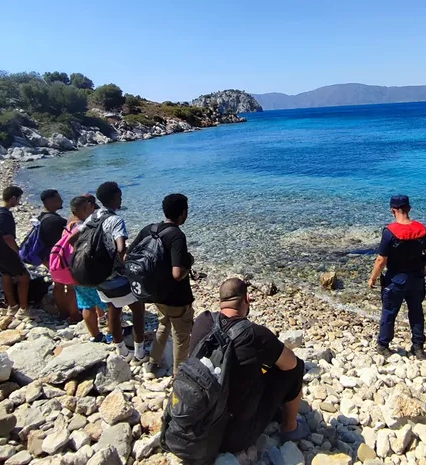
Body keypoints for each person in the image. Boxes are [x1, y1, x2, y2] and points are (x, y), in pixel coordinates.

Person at [189, 278, 309, 452]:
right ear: (247, 299)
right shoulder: (255, 335)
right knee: (296, 367)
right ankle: (290, 427)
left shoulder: (203, 320)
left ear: (221, 300)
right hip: (231, 439)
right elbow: (291, 363)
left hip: (195, 421)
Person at [75, 181, 146, 361]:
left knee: (113, 310)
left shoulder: (93, 216)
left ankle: (121, 350)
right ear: (114, 198)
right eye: (119, 196)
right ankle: (139, 351)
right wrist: (128, 265)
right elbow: (121, 248)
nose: (121, 199)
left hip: (98, 276)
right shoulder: (116, 220)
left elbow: (73, 238)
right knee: (138, 309)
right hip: (115, 276)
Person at [131, 193, 195, 375]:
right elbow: (177, 274)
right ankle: (179, 376)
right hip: (177, 298)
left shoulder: (149, 229)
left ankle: (153, 363)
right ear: (183, 213)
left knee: (163, 326)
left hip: (155, 293)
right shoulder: (177, 236)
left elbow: (128, 255)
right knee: (181, 337)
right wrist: (189, 261)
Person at [368, 195, 426, 358]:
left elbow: (381, 260)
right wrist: (424, 268)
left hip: (396, 278)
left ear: (393, 210)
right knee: (416, 311)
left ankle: (383, 345)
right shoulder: (421, 229)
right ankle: (418, 347)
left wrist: (373, 277)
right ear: (409, 209)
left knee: (389, 312)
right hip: (416, 278)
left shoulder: (389, 232)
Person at [68, 195, 106, 341]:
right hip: (87, 269)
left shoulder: (70, 225)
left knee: (87, 304)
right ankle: (114, 331)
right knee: (108, 303)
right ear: (85, 209)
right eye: (90, 207)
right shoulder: (84, 227)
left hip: (75, 268)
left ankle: (96, 335)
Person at [0, 186, 31, 319]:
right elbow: (7, 237)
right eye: (18, 199)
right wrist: (18, 251)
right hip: (6, 252)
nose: (19, 202)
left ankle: (12, 306)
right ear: (13, 198)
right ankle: (23, 309)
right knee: (24, 277)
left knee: (6, 275)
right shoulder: (4, 215)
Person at [36, 189, 78, 322]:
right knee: (70, 287)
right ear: (50, 201)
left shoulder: (41, 218)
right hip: (60, 258)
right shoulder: (56, 221)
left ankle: (63, 312)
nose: (62, 201)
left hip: (49, 258)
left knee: (58, 285)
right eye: (58, 199)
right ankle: (74, 314)